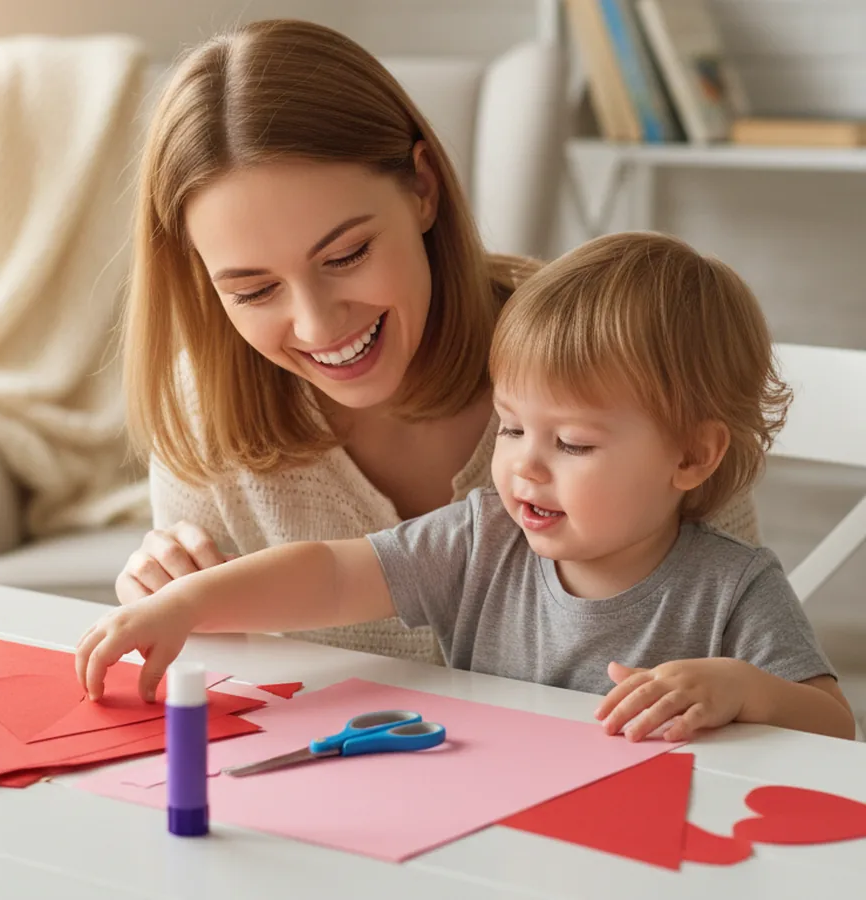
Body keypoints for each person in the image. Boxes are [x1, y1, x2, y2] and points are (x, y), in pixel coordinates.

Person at [117, 18, 761, 665]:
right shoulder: (205, 412)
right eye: (254, 291)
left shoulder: (614, 354)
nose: (317, 326)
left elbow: (750, 661)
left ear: (422, 188)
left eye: (346, 255)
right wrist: (175, 598)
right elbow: (226, 680)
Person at [79, 231, 856, 742]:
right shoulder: (482, 536)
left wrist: (743, 690)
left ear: (691, 458)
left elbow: (832, 725)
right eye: (511, 428)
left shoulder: (735, 587)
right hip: (495, 828)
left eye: (574, 443)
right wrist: (187, 601)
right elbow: (332, 571)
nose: (526, 465)